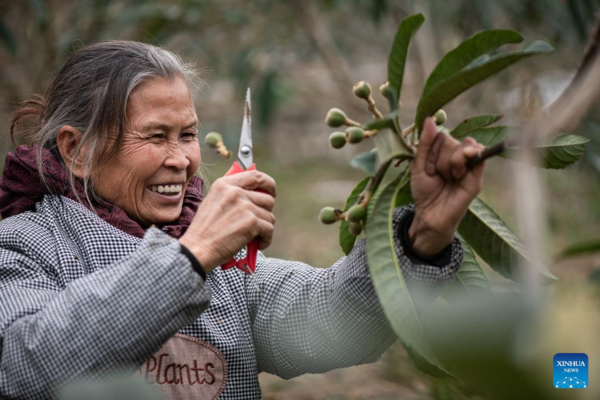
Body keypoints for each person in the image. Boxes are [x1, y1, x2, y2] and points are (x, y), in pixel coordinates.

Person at [0, 41, 486, 400]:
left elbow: (332, 324)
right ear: (77, 151)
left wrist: (421, 236)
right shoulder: (24, 245)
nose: (182, 160)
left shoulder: (223, 261)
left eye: (187, 134)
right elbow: (26, 363)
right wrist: (191, 257)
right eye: (155, 136)